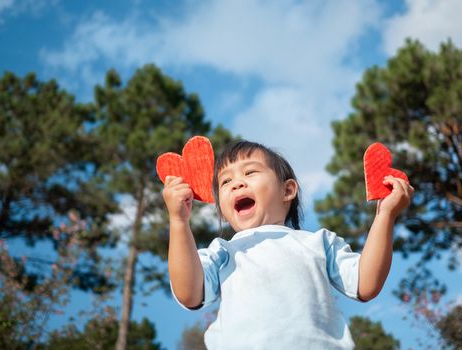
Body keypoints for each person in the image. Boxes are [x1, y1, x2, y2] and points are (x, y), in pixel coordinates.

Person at [163, 140, 414, 349]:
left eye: (250, 172)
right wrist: (178, 222)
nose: (237, 183)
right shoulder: (223, 251)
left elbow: (365, 283)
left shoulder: (318, 242)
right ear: (223, 210)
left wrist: (385, 216)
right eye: (225, 182)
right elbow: (189, 292)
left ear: (288, 190)